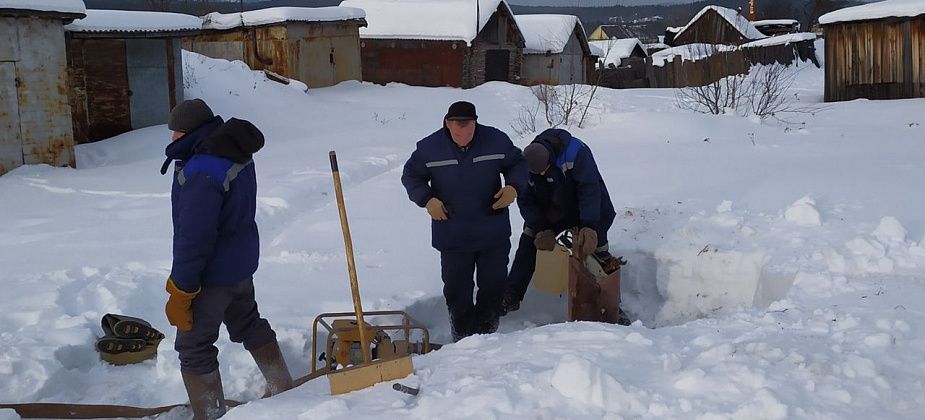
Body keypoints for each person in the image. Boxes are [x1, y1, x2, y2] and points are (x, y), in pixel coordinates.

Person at [161, 99, 292, 419]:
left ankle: (210, 413)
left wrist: (182, 288)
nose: (172, 138)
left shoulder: (203, 169)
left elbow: (195, 238)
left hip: (211, 276)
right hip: (239, 266)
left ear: (189, 131)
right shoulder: (231, 151)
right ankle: (283, 387)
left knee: (193, 348)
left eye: (176, 132)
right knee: (249, 323)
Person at [401, 101, 528, 342]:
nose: (463, 139)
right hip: (452, 233)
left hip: (492, 231)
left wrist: (513, 187)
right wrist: (426, 199)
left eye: (468, 132)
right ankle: (462, 339)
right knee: (457, 291)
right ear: (447, 124)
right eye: (458, 133)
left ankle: (487, 336)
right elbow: (411, 176)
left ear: (475, 124)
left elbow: (518, 164)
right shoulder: (430, 148)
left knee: (493, 287)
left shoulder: (496, 140)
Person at [502, 128, 621, 315]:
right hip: (551, 211)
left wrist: (589, 225)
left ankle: (610, 305)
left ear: (550, 159)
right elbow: (525, 200)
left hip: (588, 209)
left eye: (544, 171)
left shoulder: (575, 152)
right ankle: (510, 296)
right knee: (529, 240)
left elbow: (589, 189)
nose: (541, 175)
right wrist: (541, 228)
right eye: (537, 174)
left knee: (596, 251)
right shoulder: (525, 165)